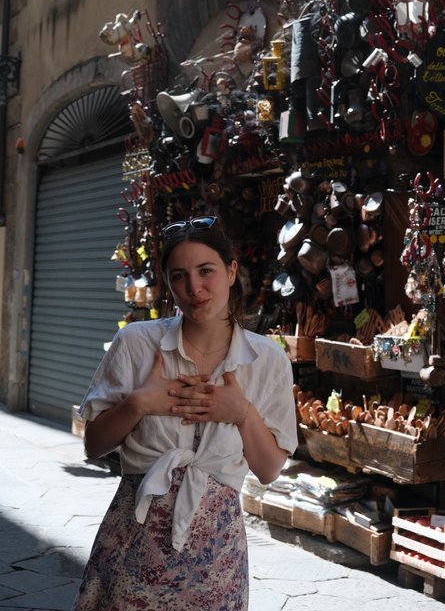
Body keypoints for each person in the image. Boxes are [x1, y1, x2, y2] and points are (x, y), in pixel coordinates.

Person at [72, 215, 298, 611]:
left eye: (206, 271)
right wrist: (139, 403)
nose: (194, 288)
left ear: (231, 272)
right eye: (179, 277)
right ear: (168, 283)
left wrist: (242, 413)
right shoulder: (136, 343)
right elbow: (93, 444)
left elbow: (268, 471)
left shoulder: (267, 360)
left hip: (217, 554)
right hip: (134, 543)